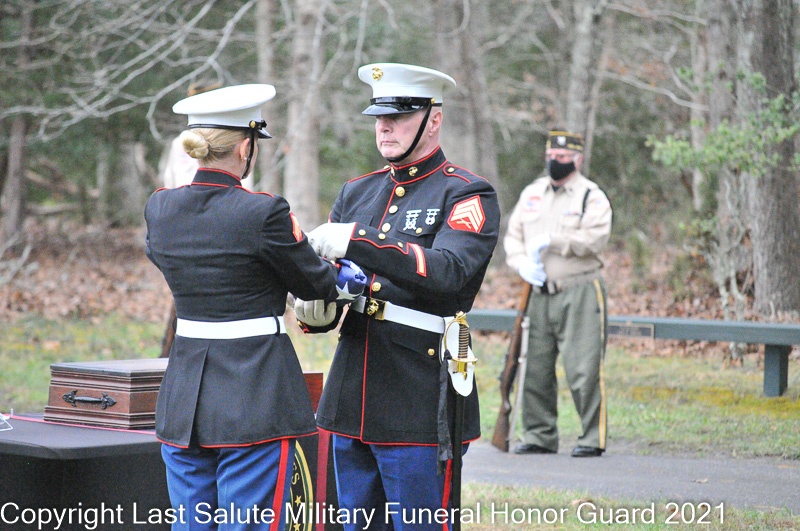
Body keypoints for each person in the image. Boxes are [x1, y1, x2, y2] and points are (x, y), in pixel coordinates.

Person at [294, 63, 500, 530]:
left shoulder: (466, 193)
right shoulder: (358, 191)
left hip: (418, 398)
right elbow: (337, 280)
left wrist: (359, 240)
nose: (384, 126)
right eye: (379, 116)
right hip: (351, 396)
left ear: (434, 119)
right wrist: (315, 305)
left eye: (399, 116)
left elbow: (449, 272)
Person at [144, 84, 343, 529]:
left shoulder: (160, 207)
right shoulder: (263, 213)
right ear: (245, 147)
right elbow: (316, 284)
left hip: (184, 397)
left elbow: (161, 256)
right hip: (254, 394)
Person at [504, 129, 613, 458]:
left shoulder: (590, 196)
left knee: (584, 368)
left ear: (577, 160)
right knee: (534, 367)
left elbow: (596, 238)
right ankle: (539, 434)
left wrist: (556, 240)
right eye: (551, 156)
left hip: (579, 290)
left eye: (562, 157)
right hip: (537, 292)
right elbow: (513, 237)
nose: (555, 161)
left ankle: (592, 437)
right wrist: (521, 263)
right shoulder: (532, 193)